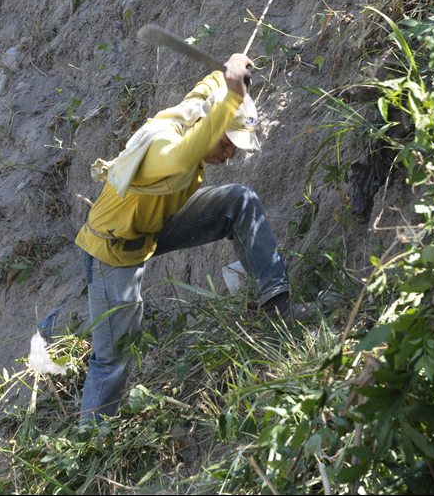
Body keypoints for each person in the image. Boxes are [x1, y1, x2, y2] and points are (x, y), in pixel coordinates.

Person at [75, 54, 307, 424]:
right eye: (227, 144)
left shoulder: (195, 110)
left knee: (239, 201)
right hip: (115, 251)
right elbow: (188, 153)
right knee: (112, 359)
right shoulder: (165, 147)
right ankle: (89, 444)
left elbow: (212, 85)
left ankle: (278, 307)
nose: (230, 154)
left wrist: (231, 72)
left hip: (154, 224)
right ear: (209, 128)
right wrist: (230, 95)